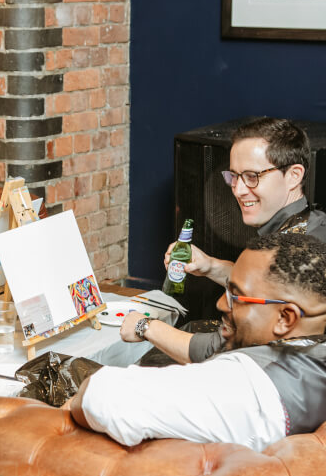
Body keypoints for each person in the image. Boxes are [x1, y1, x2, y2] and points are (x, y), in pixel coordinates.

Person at [71, 233, 326, 451]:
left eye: (236, 296)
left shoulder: (249, 387)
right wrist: (146, 326)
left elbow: (101, 397)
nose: (221, 304)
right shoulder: (309, 348)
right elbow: (209, 348)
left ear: (285, 317)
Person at [138, 117, 326, 364]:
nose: (238, 190)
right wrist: (211, 266)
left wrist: (144, 326)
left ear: (293, 175)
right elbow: (268, 285)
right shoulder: (315, 223)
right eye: (234, 176)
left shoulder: (289, 249)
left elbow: (216, 350)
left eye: (252, 176)